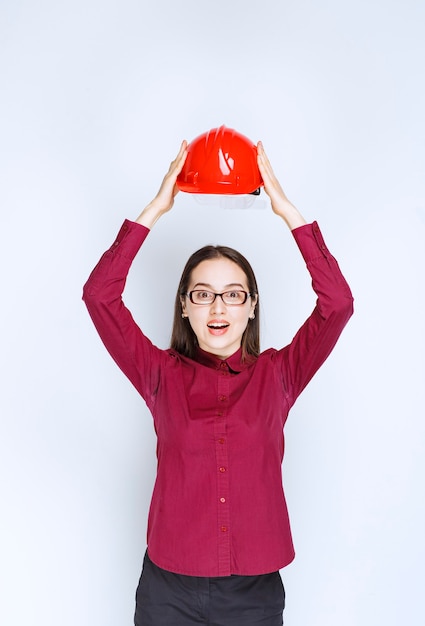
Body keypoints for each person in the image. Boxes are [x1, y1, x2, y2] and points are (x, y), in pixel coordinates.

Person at [82, 140, 354, 626]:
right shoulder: (159, 374)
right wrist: (154, 209)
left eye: (233, 294)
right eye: (203, 294)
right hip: (169, 590)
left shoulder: (279, 375)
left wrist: (288, 212)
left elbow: (336, 304)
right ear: (184, 306)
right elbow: (99, 297)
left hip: (253, 595)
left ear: (251, 306)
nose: (218, 308)